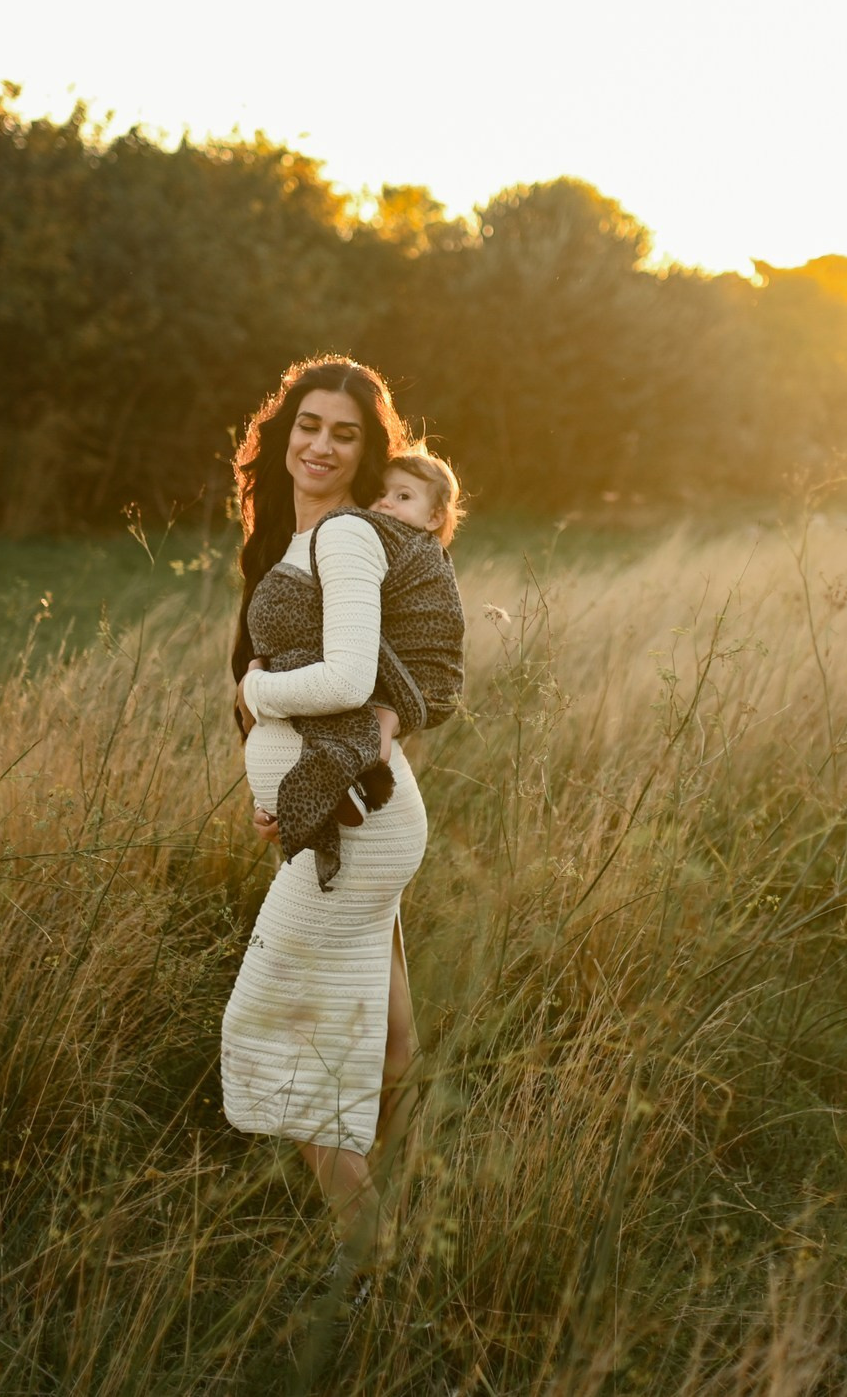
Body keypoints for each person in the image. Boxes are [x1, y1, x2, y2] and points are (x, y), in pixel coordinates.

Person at [219, 358, 452, 1289]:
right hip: (352, 815)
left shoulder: (348, 538)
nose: (319, 444)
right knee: (389, 1038)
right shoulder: (301, 538)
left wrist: (255, 692)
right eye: (307, 425)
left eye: (344, 433)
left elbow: (351, 682)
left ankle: (372, 1264)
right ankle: (392, 1200)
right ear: (283, 436)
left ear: (367, 452)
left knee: (271, 1032)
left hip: (358, 822)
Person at [252, 448, 467, 887]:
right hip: (410, 678)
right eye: (381, 494)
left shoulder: (395, 542)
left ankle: (363, 763)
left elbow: (357, 674)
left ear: (433, 519)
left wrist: (255, 689)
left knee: (374, 720)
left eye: (403, 496)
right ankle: (350, 776)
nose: (386, 504)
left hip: (425, 673)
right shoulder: (382, 539)